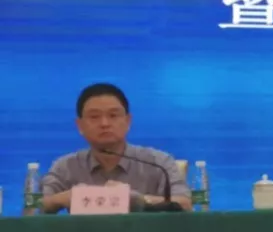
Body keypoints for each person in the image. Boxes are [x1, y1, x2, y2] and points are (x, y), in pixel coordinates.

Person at [41, 83, 191, 213]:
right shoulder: (66, 166)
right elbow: (37, 204)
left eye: (113, 115)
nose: (104, 123)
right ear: (80, 126)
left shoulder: (158, 162)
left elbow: (184, 204)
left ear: (128, 121)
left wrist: (137, 199)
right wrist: (63, 198)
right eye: (94, 117)